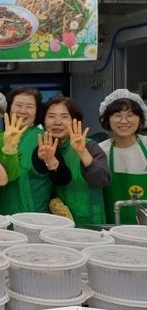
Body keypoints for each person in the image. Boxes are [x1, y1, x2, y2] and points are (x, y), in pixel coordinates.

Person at [32, 95, 110, 225]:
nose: (57, 122)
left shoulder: (89, 145)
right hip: (57, 221)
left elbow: (102, 180)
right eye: (51, 116)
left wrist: (82, 152)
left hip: (88, 220)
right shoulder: (43, 148)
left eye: (64, 117)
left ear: (75, 121)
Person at [0, 87, 56, 215]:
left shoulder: (44, 139)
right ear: (9, 108)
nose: (23, 111)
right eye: (18, 105)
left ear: (37, 111)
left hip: (32, 214)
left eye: (29, 107)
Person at [98, 89, 147, 224]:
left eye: (130, 115)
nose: (124, 121)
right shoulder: (101, 151)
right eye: (117, 115)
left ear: (140, 119)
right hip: (112, 226)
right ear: (108, 119)